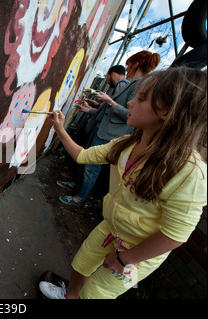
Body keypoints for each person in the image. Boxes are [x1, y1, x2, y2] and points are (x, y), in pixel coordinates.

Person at [40, 66, 207, 299]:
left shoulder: (188, 173)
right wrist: (59, 129)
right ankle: (70, 295)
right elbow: (81, 155)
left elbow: (175, 235)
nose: (129, 103)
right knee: (81, 263)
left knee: (96, 293)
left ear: (167, 112)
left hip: (138, 252)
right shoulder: (127, 144)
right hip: (112, 227)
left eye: (140, 99)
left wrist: (124, 259)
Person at [57, 51, 160, 206]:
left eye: (129, 64)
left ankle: (79, 198)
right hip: (102, 130)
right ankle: (75, 185)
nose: (127, 68)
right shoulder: (134, 83)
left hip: (110, 134)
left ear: (136, 63)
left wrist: (110, 102)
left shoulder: (140, 84)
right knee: (87, 157)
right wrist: (95, 108)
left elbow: (128, 114)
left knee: (92, 166)